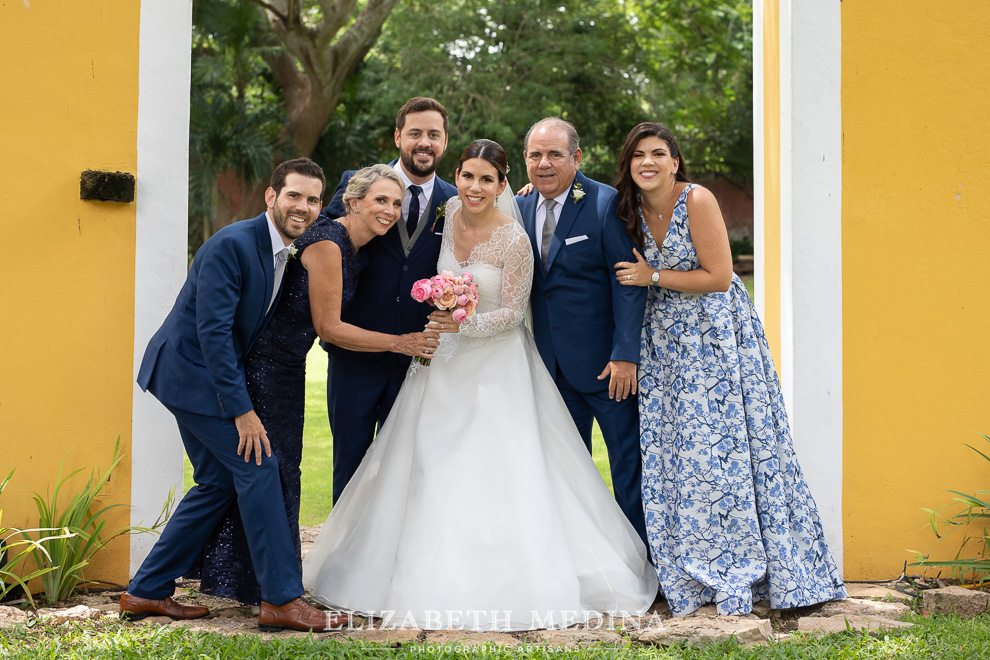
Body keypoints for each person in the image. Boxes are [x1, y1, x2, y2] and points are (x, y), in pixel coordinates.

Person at [302, 140, 657, 631]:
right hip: (441, 365)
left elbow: (513, 313)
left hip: (496, 366)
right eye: (468, 176)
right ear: (458, 177)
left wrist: (461, 324)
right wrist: (444, 314)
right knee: (427, 459)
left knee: (500, 464)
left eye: (486, 180)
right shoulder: (447, 209)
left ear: (501, 185)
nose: (474, 187)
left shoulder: (513, 237)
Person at [612, 122, 848, 616]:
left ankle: (755, 568)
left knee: (730, 449)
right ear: (628, 164)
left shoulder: (696, 200)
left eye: (659, 153)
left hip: (714, 339)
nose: (648, 162)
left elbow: (719, 277)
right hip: (664, 345)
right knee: (677, 454)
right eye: (638, 155)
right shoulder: (626, 206)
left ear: (675, 162)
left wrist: (651, 275)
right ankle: (689, 568)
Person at [185, 165, 437, 606]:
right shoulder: (328, 243)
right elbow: (330, 328)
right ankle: (276, 595)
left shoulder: (357, 247)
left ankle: (260, 587)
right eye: (380, 200)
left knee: (275, 475)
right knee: (272, 474)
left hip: (288, 367)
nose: (391, 211)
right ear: (354, 202)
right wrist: (401, 342)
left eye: (396, 203)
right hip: (264, 368)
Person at [123, 158, 346, 632]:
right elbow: (214, 334)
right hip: (188, 374)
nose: (302, 207)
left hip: (195, 375)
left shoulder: (281, 249)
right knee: (259, 464)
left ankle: (146, 590)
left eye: (311, 200)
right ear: (271, 196)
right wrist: (243, 411)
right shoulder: (233, 244)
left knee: (218, 482)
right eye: (293, 196)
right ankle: (283, 600)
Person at [515, 118, 649, 545]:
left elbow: (627, 283)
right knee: (564, 472)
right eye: (535, 155)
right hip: (550, 367)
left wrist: (625, 354)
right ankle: (581, 560)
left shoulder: (605, 203)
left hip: (608, 368)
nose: (544, 163)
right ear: (525, 160)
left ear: (575, 157)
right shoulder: (517, 208)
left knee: (627, 467)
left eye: (554, 154)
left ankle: (642, 562)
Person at [323, 97, 458, 502]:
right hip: (355, 353)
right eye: (415, 133)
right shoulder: (359, 182)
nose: (424, 142)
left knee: (411, 469)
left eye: (433, 135)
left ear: (445, 142)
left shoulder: (455, 201)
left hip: (420, 359)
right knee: (349, 463)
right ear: (398, 136)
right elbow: (327, 241)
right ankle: (340, 562)